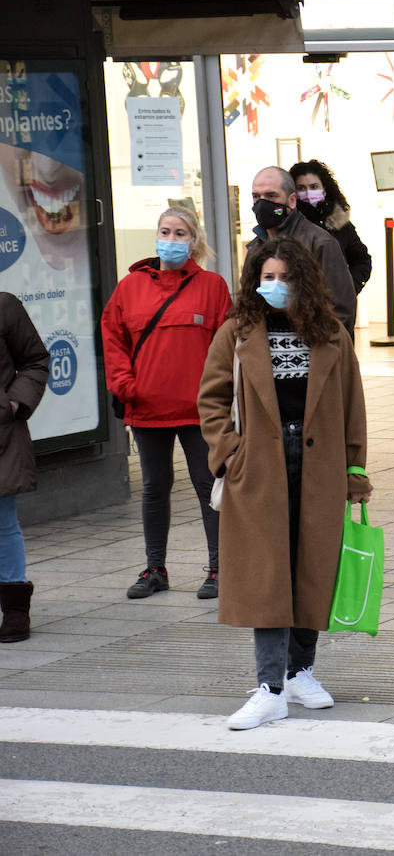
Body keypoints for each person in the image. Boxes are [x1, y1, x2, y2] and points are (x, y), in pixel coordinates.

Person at [198, 237, 371, 730]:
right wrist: (231, 453)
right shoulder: (236, 333)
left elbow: (351, 405)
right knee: (268, 573)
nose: (275, 286)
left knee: (313, 567)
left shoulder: (330, 333)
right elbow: (211, 401)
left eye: (286, 277)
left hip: (318, 464)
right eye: (267, 277)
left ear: (304, 281)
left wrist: (355, 469)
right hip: (259, 466)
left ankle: (300, 671)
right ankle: (269, 686)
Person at [101, 207, 233, 601]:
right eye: (165, 231)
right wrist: (124, 384)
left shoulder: (212, 287)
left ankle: (219, 568)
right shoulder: (130, 287)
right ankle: (155, 567)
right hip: (146, 408)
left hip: (199, 411)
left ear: (193, 241)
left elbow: (226, 347)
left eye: (180, 233)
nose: (171, 239)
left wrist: (220, 397)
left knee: (209, 486)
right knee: (155, 488)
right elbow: (113, 338)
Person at [246, 166, 357, 335]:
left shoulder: (320, 243)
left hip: (312, 349)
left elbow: (341, 310)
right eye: (256, 196)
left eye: (271, 196)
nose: (262, 203)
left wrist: (322, 352)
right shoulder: (255, 247)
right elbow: (248, 303)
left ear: (291, 200)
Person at [0, 294, 48, 643]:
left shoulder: (4, 306)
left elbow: (35, 360)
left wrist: (13, 404)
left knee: (3, 522)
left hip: (1, 433)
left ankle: (15, 609)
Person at [290, 159, 373, 294]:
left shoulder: (339, 223)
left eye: (314, 187)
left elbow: (362, 260)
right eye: (301, 188)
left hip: (337, 309)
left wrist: (348, 289)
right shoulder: (288, 224)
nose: (308, 193)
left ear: (324, 189)